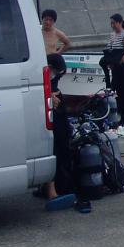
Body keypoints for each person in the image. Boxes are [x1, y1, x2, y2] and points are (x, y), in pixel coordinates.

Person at [42, 54, 77, 211]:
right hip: (49, 110)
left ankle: (60, 184)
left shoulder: (55, 77)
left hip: (58, 107)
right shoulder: (41, 75)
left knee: (64, 144)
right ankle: (51, 190)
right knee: (53, 147)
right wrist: (48, 96)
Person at [101, 13, 124, 127]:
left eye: (114, 23)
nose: (112, 25)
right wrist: (110, 62)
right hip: (115, 67)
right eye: (111, 23)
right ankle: (123, 117)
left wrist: (119, 62)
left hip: (123, 67)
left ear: (120, 22)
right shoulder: (112, 35)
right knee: (119, 93)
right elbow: (110, 49)